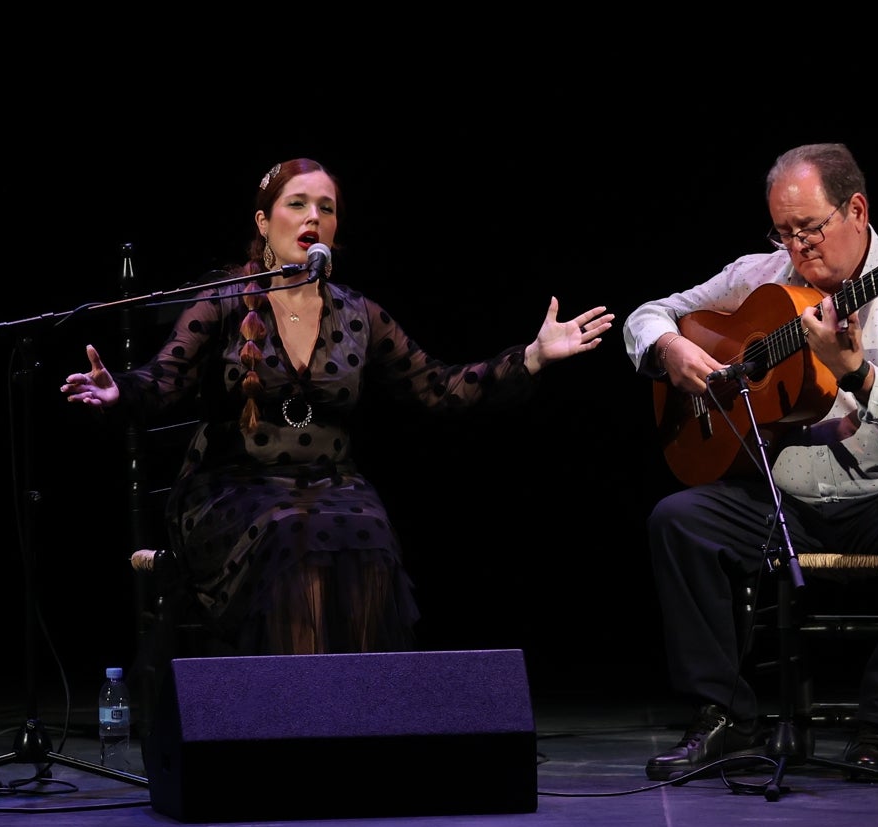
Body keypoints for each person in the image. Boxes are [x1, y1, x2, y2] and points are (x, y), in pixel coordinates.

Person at [62, 156, 614, 658]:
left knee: (367, 538)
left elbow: (439, 388)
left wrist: (534, 357)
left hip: (330, 483)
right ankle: (299, 716)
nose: (313, 217)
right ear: (263, 224)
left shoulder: (357, 314)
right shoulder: (225, 302)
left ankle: (360, 724)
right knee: (292, 536)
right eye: (297, 204)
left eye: (325, 208)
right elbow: (165, 378)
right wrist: (119, 392)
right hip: (233, 486)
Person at [623, 143, 878, 780]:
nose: (795, 248)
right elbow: (647, 316)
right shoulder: (760, 274)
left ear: (856, 210)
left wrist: (858, 375)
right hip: (791, 494)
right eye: (782, 231)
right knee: (678, 520)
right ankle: (724, 714)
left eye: (808, 229)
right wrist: (670, 348)